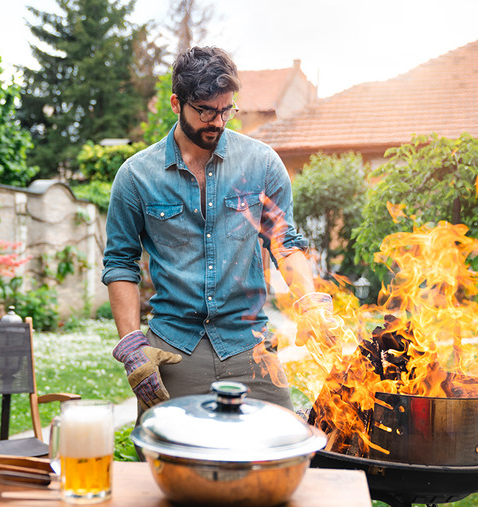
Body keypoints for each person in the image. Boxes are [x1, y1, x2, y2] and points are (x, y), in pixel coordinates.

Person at [102, 46, 338, 413]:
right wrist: (132, 345)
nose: (217, 121)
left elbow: (285, 243)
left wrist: (308, 301)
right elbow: (120, 263)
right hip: (174, 350)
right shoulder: (135, 176)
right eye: (205, 111)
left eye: (227, 110)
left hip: (250, 346)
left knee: (281, 449)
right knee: (168, 460)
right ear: (176, 103)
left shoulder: (262, 164)